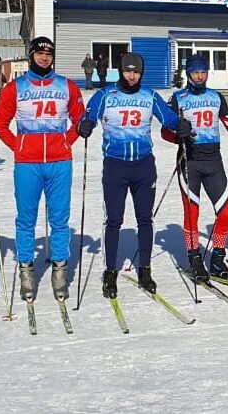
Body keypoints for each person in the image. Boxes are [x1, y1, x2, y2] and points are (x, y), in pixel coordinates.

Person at [77, 52, 191, 298]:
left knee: (145, 219)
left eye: (136, 72)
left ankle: (145, 269)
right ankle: (110, 271)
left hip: (143, 166)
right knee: (114, 220)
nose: (132, 75)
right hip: (116, 166)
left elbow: (168, 116)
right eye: (128, 71)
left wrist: (179, 125)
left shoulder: (149, 95)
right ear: (120, 70)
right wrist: (84, 125)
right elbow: (88, 116)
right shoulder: (106, 94)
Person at [0, 36, 85, 303]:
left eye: (49, 53)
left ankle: (59, 272)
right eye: (40, 53)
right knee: (26, 220)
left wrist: (70, 138)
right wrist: (18, 146)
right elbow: (0, 124)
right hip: (28, 164)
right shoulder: (15, 87)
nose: (45, 58)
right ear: (31, 54)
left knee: (59, 220)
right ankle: (26, 271)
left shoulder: (66, 86)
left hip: (59, 161)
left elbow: (80, 119)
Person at [164, 54, 228, 281]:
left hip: (213, 161)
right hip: (190, 160)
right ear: (188, 73)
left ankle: (218, 258)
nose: (200, 76)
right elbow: (165, 131)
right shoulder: (178, 98)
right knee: (192, 213)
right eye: (195, 72)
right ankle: (195, 259)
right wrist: (179, 133)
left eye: (203, 71)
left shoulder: (216, 96)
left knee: (225, 211)